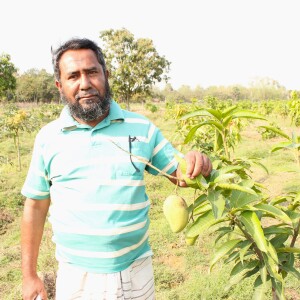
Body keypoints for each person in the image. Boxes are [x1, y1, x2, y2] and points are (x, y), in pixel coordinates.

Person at [21, 38, 212, 300]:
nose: (85, 83)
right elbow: (35, 206)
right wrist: (29, 275)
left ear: (106, 75)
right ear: (60, 86)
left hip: (136, 270)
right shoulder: (48, 138)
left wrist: (197, 162)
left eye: (92, 72)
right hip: (77, 275)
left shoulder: (141, 128)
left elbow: (181, 175)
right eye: (73, 76)